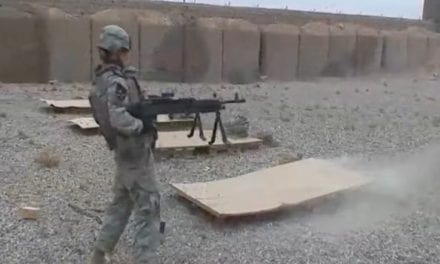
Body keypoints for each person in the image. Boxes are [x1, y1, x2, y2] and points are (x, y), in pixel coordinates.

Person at [88, 25, 161, 264]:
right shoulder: (116, 82)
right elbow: (118, 117)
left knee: (120, 204)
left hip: (123, 152)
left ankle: (99, 254)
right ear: (116, 50)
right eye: (124, 51)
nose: (127, 55)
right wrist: (143, 126)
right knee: (148, 208)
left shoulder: (104, 77)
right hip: (134, 152)